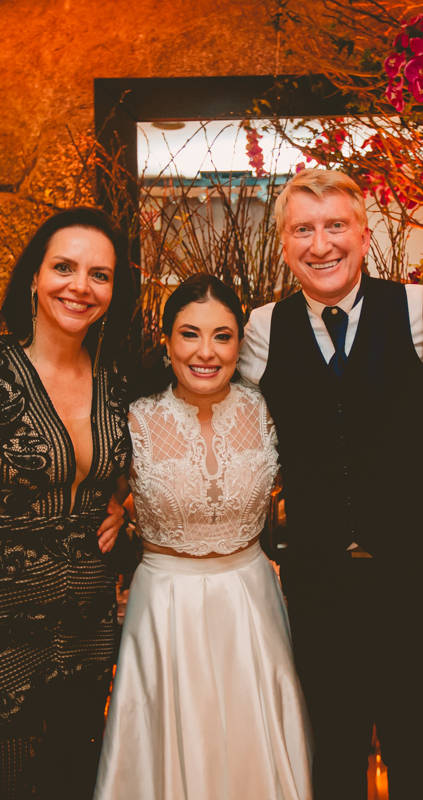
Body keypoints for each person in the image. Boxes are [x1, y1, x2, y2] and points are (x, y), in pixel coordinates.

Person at [238, 168, 423, 798]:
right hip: (318, 584)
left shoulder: (417, 310)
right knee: (332, 754)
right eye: (303, 229)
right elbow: (226, 423)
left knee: (416, 750)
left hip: (412, 576)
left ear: (364, 236)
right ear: (284, 244)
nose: (321, 244)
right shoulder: (261, 329)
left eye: (336, 226)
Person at [0, 207, 133, 799]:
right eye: (64, 267)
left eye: (99, 274)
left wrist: (122, 506)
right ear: (34, 278)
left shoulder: (115, 380)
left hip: (89, 638)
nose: (80, 286)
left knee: (76, 784)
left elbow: (122, 476)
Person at [94, 274, 312, 799]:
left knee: (254, 754)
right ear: (166, 341)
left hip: (251, 603)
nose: (206, 352)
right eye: (190, 334)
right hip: (165, 607)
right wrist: (112, 509)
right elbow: (93, 486)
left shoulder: (268, 409)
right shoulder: (131, 418)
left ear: (240, 343)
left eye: (222, 336)